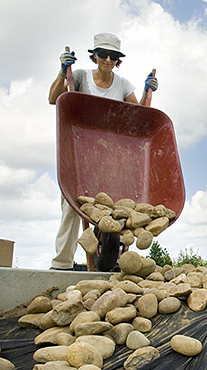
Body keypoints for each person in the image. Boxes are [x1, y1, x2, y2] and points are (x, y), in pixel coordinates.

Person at [49, 32, 158, 270]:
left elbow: (137, 116)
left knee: (117, 209)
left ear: (118, 59)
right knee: (71, 206)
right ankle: (62, 264)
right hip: (81, 153)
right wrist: (61, 73)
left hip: (111, 158)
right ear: (94, 56)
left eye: (113, 56)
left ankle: (117, 261)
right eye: (102, 54)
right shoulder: (79, 77)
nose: (107, 60)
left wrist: (146, 93)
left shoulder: (122, 85)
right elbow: (53, 99)